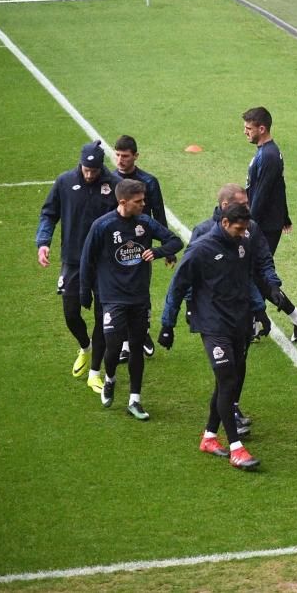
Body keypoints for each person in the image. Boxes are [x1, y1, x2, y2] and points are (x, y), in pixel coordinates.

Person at [159, 203, 297, 470]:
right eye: (239, 228)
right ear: (224, 223)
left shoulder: (242, 244)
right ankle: (236, 448)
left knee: (230, 381)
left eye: (246, 228)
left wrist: (262, 308)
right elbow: (178, 285)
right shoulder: (201, 249)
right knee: (227, 378)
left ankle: (210, 437)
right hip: (213, 324)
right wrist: (168, 324)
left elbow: (249, 278)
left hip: (239, 321)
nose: (243, 232)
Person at [191, 184, 297, 434]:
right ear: (226, 207)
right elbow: (188, 276)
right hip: (214, 315)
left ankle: (229, 410)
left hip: (241, 310)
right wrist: (189, 310)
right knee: (225, 369)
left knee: (238, 363)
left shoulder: (251, 228)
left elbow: (263, 260)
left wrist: (273, 287)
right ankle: (228, 432)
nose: (248, 208)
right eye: (244, 204)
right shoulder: (203, 233)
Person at [79, 179, 183, 420]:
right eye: (139, 202)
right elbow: (87, 258)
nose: (143, 204)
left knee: (136, 346)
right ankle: (110, 378)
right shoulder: (103, 226)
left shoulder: (145, 222)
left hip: (139, 297)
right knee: (113, 345)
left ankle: (135, 399)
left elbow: (175, 241)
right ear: (123, 202)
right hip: (112, 297)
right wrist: (85, 291)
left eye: (144, 200)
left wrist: (156, 252)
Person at [36, 140, 120, 392]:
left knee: (102, 317)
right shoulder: (64, 182)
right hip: (73, 260)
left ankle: (95, 372)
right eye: (86, 170)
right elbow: (49, 213)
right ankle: (85, 347)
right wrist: (43, 242)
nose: (90, 174)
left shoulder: (113, 185)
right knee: (71, 312)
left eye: (94, 171)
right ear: (80, 164)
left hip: (105, 263)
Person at [113, 134, 170, 361]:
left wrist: (167, 248)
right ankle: (128, 342)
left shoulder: (149, 181)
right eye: (117, 155)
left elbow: (159, 213)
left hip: (142, 246)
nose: (120, 160)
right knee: (120, 291)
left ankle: (142, 332)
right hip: (116, 246)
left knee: (140, 290)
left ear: (135, 156)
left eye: (125, 156)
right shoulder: (109, 181)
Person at [243, 106, 292, 254]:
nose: (245, 132)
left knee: (257, 270)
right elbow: (279, 186)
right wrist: (285, 216)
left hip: (265, 225)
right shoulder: (266, 151)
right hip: (267, 222)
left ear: (262, 129)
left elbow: (261, 194)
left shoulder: (268, 156)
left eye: (249, 128)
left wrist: (249, 225)